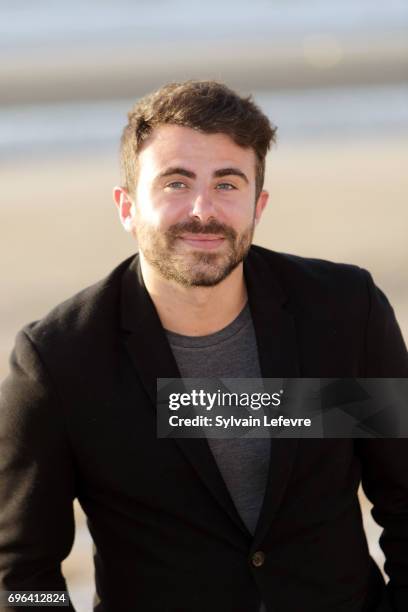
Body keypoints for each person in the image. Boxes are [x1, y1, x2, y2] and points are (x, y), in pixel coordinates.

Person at [0, 80, 407, 612]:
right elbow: (23, 574)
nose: (202, 210)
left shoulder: (344, 314)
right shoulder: (59, 361)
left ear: (258, 204)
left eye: (227, 184)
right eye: (175, 183)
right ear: (127, 207)